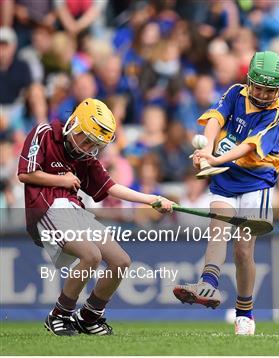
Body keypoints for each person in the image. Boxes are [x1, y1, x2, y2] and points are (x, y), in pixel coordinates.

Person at [17, 98, 174, 336]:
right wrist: (62, 180)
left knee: (121, 261)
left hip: (74, 209)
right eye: (87, 140)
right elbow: (25, 174)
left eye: (95, 144)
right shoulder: (45, 133)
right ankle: (59, 315)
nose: (88, 148)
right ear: (74, 125)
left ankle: (89, 316)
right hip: (46, 208)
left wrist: (151, 199)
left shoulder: (86, 158)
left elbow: (111, 187)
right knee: (90, 255)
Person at [173, 51, 279, 336]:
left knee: (243, 248)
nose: (261, 94)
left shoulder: (275, 114)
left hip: (255, 181)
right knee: (217, 228)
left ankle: (245, 313)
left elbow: (248, 148)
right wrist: (208, 148)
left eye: (268, 90)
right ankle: (207, 284)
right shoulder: (236, 93)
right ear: (249, 80)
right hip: (225, 178)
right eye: (258, 87)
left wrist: (214, 160)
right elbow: (214, 119)